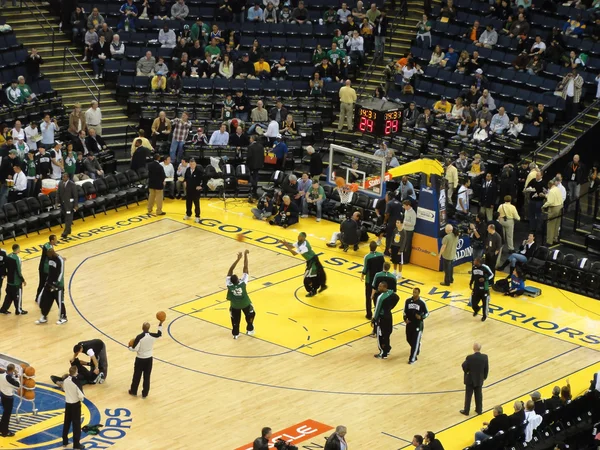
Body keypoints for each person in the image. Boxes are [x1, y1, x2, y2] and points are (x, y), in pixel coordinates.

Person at [280, 233, 327, 297]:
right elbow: (292, 246)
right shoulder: (300, 242)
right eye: (298, 236)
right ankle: (319, 286)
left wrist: (289, 249)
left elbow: (294, 253)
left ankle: (312, 290)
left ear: (303, 238)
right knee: (315, 275)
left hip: (313, 261)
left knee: (307, 278)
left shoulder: (304, 246)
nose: (298, 237)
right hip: (310, 261)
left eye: (300, 236)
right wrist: (285, 244)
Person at [128, 318, 163, 397]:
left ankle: (133, 391)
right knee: (147, 377)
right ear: (149, 328)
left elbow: (135, 349)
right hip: (149, 359)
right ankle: (145, 393)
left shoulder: (139, 337)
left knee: (137, 375)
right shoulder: (152, 336)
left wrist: (129, 347)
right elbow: (159, 334)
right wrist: (160, 323)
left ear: (142, 328)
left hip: (140, 359)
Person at [226, 250, 256, 339]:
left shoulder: (229, 284)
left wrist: (237, 259)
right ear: (238, 280)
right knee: (251, 315)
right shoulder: (242, 283)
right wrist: (245, 255)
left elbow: (230, 270)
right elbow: (245, 267)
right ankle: (250, 329)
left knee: (235, 320)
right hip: (245, 303)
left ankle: (235, 334)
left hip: (235, 305)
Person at [35, 249, 67, 325]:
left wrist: (56, 284)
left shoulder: (59, 260)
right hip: (49, 283)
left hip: (58, 285)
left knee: (60, 301)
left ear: (51, 253)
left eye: (48, 255)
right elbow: (50, 271)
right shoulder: (49, 259)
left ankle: (63, 317)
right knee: (46, 301)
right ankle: (44, 317)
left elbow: (61, 273)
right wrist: (47, 281)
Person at [372, 280, 400, 359]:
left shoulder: (381, 297)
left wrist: (374, 319)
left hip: (382, 318)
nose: (378, 287)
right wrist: (391, 307)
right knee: (387, 333)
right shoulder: (391, 293)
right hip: (389, 315)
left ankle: (382, 353)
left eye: (380, 286)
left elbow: (377, 309)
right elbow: (397, 298)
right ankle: (387, 348)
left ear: (384, 287)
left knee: (380, 335)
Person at [460, 342, 489, 416]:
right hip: (479, 380)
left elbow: (464, 366)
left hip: (470, 380)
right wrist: (484, 377)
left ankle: (466, 411)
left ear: (474, 348)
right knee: (479, 395)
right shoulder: (485, 357)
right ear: (480, 348)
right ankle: (479, 410)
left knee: (468, 396)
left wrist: (467, 371)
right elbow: (486, 369)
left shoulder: (469, 357)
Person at [404, 287, 429, 365]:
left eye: (415, 292)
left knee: (414, 342)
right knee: (408, 339)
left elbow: (427, 313)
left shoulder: (422, 302)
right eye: (413, 292)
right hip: (409, 323)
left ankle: (413, 358)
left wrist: (421, 317)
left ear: (418, 293)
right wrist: (405, 319)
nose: (414, 293)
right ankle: (417, 345)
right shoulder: (408, 301)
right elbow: (404, 311)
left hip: (418, 324)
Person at [0, 244, 27, 315]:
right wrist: (23, 280)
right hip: (16, 281)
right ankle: (19, 310)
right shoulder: (17, 258)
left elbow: (4, 266)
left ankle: (3, 309)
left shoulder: (8, 256)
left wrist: (4, 274)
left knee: (9, 296)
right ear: (17, 249)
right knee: (18, 296)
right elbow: (18, 271)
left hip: (9, 281)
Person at [62, 365, 85, 449]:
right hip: (75, 405)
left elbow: (64, 389)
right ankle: (76, 444)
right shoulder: (76, 382)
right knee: (76, 425)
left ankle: (64, 440)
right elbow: (81, 396)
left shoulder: (65, 380)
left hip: (68, 404)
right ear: (76, 372)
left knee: (66, 422)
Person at [470, 257, 494, 322]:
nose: (474, 261)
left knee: (485, 304)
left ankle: (484, 316)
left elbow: (492, 274)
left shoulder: (485, 267)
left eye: (475, 260)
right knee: (473, 303)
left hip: (484, 288)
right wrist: (471, 283)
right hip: (476, 288)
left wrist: (485, 279)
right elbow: (473, 276)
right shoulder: (473, 267)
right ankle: (476, 309)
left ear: (479, 262)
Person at [56, 172, 78, 239]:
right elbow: (58, 193)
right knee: (66, 218)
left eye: (64, 177)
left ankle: (65, 232)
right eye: (62, 177)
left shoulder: (72, 184)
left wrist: (76, 205)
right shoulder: (60, 183)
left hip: (70, 204)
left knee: (68, 218)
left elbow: (75, 196)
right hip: (63, 205)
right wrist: (57, 202)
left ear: (68, 177)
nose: (63, 178)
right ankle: (69, 230)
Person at [0, 363, 19, 437]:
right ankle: (5, 432)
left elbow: (6, 375)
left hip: (2, 394)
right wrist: (17, 376)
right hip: (8, 398)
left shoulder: (2, 374)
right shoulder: (9, 379)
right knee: (7, 415)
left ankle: (1, 428)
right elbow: (18, 385)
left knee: (5, 413)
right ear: (12, 370)